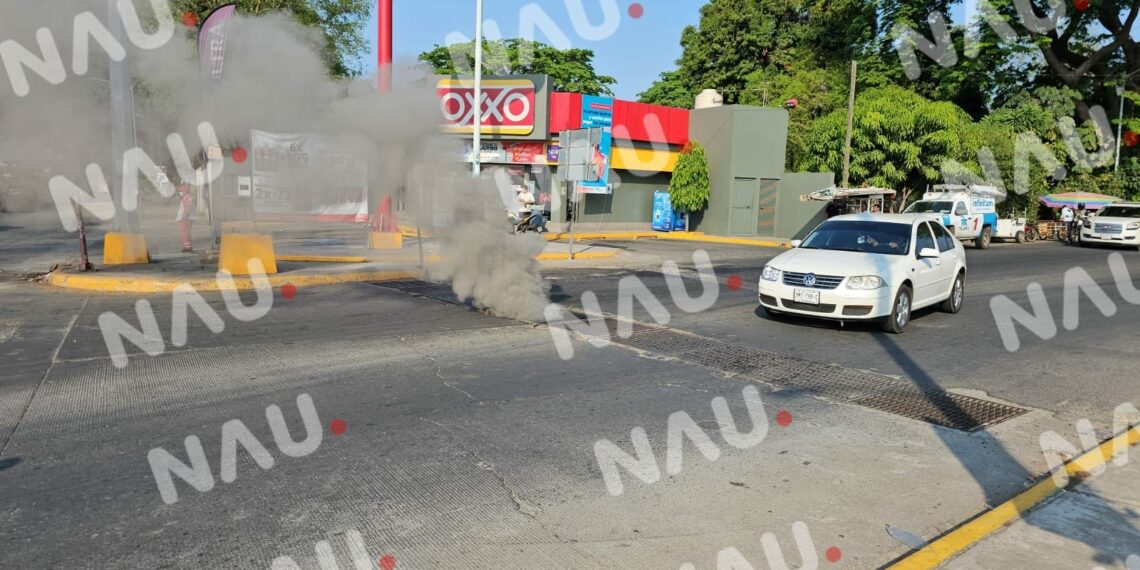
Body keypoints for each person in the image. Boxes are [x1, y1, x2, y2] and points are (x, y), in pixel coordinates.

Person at [175, 181, 196, 253]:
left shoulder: (188, 196)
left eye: (181, 188)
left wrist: (184, 216)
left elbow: (189, 207)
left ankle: (187, 247)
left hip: (185, 218)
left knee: (185, 233)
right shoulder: (186, 196)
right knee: (186, 232)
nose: (180, 190)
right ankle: (188, 246)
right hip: (185, 218)